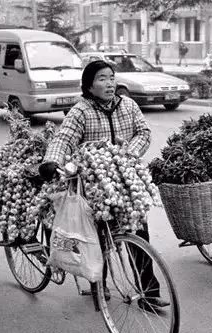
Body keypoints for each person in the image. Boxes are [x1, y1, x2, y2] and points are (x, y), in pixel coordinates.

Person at [39, 60, 169, 311]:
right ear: (88, 85)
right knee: (98, 236)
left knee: (139, 230)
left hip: (124, 178)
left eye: (111, 77)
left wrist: (127, 155)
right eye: (101, 78)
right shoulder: (81, 111)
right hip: (94, 183)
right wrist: (51, 161)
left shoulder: (128, 105)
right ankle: (100, 285)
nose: (109, 83)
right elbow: (63, 139)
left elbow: (143, 132)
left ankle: (149, 293)